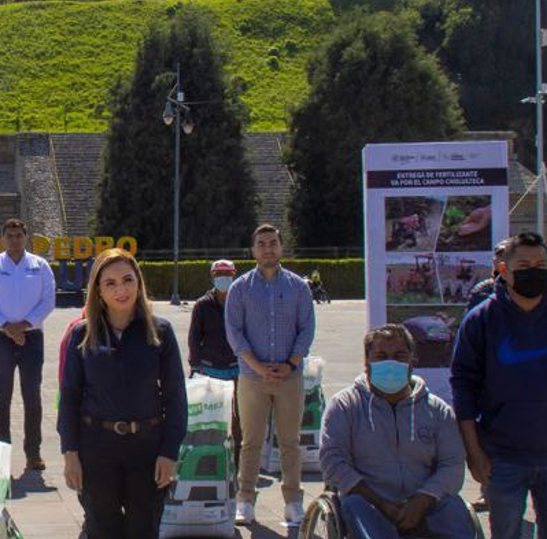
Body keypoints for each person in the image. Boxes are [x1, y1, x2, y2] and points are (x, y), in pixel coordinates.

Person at [451, 231, 547, 539]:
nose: (535, 270)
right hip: (502, 458)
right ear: (503, 269)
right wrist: (474, 451)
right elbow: (463, 387)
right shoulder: (481, 321)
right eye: (525, 264)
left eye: (541, 264)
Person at [59, 248, 187, 539]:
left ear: (139, 283)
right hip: (96, 449)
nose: (121, 290)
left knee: (144, 529)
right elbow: (69, 398)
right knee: (101, 529)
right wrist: (70, 453)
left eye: (128, 280)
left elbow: (175, 398)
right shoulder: (82, 335)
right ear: (98, 290)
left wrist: (169, 453)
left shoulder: (160, 332)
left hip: (147, 449)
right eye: (111, 283)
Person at [320, 324, 472, 539]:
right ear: (367, 363)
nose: (390, 362)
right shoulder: (345, 406)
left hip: (426, 502)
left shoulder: (437, 410)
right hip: (368, 502)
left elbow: (453, 463)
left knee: (454, 509)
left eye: (399, 355)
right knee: (355, 505)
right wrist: (381, 503)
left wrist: (422, 500)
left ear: (412, 362)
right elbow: (332, 461)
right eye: (381, 356)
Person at [225, 224, 316, 526]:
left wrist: (290, 364)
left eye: (273, 243)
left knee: (290, 441)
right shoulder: (240, 288)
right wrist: (260, 366)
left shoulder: (298, 287)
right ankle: (245, 500)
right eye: (261, 244)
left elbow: (307, 329)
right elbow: (235, 333)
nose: (267, 248)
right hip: (253, 377)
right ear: (253, 250)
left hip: (290, 376)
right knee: (250, 441)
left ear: (281, 247)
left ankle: (293, 502)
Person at [0, 218, 55, 473]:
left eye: (18, 235)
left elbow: (48, 300)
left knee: (32, 396)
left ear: (26, 237)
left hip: (32, 337)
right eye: (9, 235)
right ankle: (1, 451)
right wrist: (7, 326)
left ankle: (33, 453)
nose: (14, 240)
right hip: (0, 337)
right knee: (2, 397)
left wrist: (24, 325)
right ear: (3, 238)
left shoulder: (40, 266)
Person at [188, 258, 242, 467]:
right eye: (219, 276)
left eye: (227, 275)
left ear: (234, 276)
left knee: (238, 417)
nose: (223, 279)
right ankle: (211, 456)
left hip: (236, 367)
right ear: (212, 277)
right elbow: (194, 337)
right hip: (210, 368)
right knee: (212, 416)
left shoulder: (239, 302)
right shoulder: (202, 305)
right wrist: (195, 365)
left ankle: (235, 459)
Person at [465, 239, 509, 313]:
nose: (505, 261)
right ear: (495, 262)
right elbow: (471, 320)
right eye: (501, 256)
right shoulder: (483, 290)